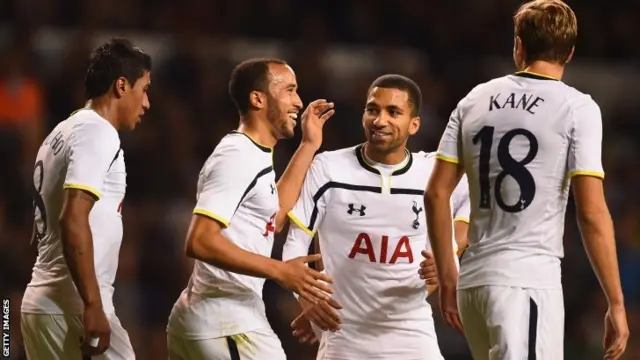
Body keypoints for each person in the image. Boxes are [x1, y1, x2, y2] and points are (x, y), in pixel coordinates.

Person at [425, 1, 630, 359]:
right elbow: (592, 213)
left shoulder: (474, 100)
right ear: (570, 53)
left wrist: (447, 277)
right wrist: (616, 301)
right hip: (526, 282)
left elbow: (436, 193)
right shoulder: (577, 108)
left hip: (473, 284)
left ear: (518, 44)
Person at [282, 74, 471, 360]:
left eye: (393, 112)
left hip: (412, 336)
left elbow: (478, 199)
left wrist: (449, 254)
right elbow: (294, 246)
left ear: (414, 124)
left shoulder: (433, 173)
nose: (380, 120)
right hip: (343, 337)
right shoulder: (328, 168)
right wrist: (306, 298)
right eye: (373, 110)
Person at [166, 58, 339, 360]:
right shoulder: (236, 155)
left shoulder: (254, 154)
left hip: (218, 317)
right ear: (258, 98)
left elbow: (277, 215)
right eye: (289, 90)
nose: (298, 101)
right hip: (225, 320)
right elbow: (199, 240)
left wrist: (309, 144)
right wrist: (280, 271)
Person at [20, 38, 151, 359]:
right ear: (122, 86)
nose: (147, 102)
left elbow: (40, 230)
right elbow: (72, 216)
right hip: (74, 306)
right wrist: (92, 304)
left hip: (44, 303)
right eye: (145, 89)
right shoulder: (98, 133)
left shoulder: (59, 133)